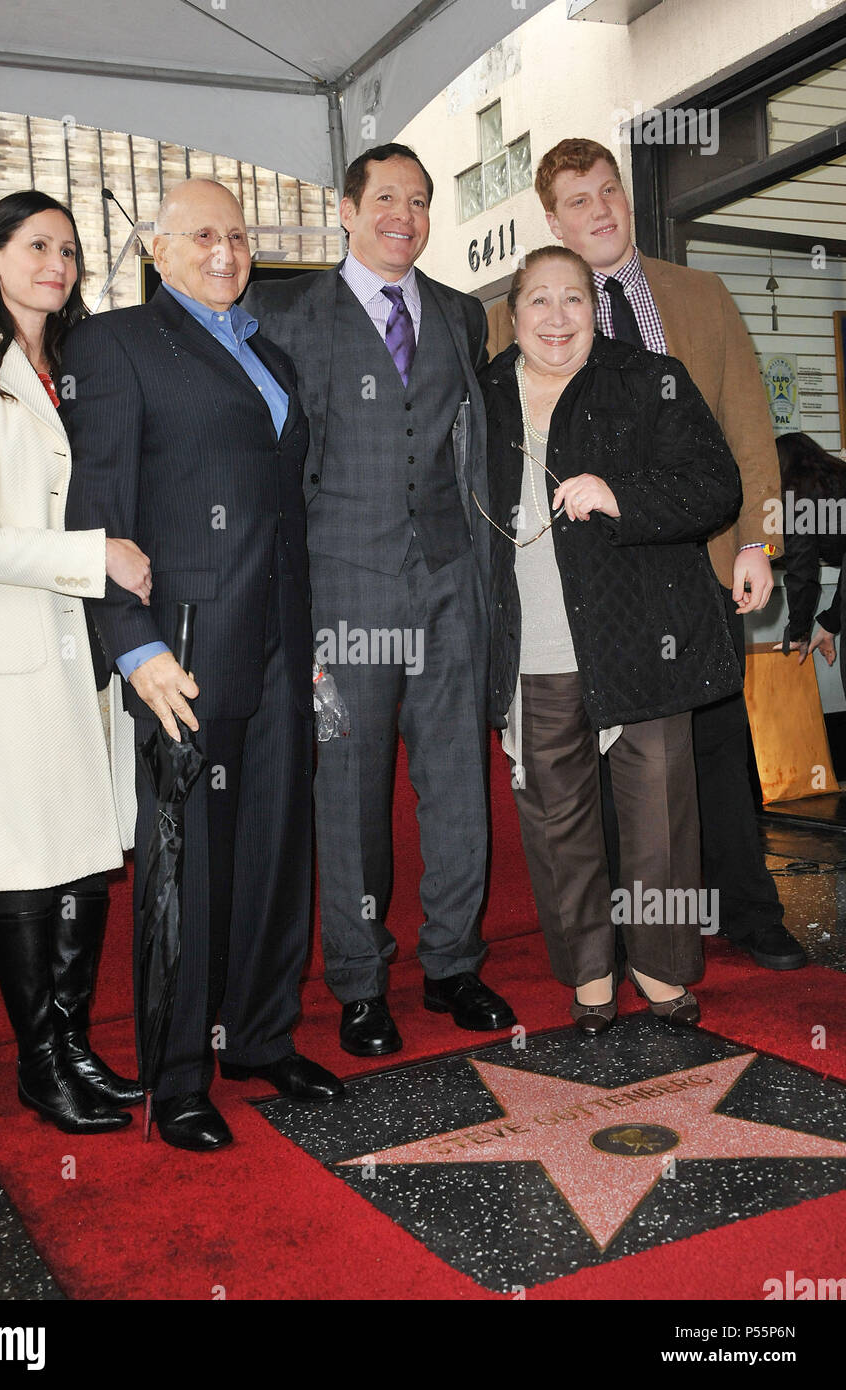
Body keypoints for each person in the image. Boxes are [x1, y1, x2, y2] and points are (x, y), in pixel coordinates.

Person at [61, 179, 343, 1154]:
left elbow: (287, 507)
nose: (223, 251)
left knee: (276, 849)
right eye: (200, 236)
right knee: (183, 866)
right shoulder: (115, 345)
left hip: (280, 641)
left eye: (235, 235)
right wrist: (132, 642)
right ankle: (177, 1077)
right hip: (179, 647)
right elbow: (94, 506)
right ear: (156, 246)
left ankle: (260, 1037)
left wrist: (305, 649)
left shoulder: (268, 351)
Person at [487, 137, 805, 973]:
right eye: (578, 202)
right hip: (589, 593)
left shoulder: (697, 295)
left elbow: (746, 426)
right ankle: (640, 936)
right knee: (623, 768)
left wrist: (757, 543)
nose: (601, 210)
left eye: (608, 192)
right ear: (552, 218)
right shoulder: (521, 313)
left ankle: (749, 912)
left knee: (716, 751)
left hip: (698, 565)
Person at [243, 144, 516, 1057]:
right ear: (349, 211)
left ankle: (453, 964)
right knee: (349, 793)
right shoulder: (283, 312)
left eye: (423, 200)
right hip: (340, 584)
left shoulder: (459, 316)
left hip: (445, 581)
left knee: (455, 782)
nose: (407, 213)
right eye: (388, 197)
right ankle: (360, 982)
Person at [0, 190, 147, 1134]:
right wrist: (94, 556)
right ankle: (39, 1066)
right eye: (38, 244)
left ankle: (78, 1046)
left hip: (88, 641)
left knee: (87, 851)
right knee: (24, 863)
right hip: (13, 641)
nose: (58, 262)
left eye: (72, 250)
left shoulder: (80, 364)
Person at [484, 247, 743, 1031]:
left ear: (594, 311)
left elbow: (716, 486)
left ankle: (662, 969)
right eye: (539, 301)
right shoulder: (483, 394)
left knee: (660, 816)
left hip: (645, 641)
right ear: (514, 313)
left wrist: (619, 495)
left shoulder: (649, 377)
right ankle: (589, 973)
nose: (557, 317)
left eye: (573, 300)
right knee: (557, 824)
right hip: (533, 649)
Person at [776, 432, 846, 685]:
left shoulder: (800, 496)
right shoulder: (838, 479)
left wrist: (798, 632)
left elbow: (802, 571)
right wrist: (830, 625)